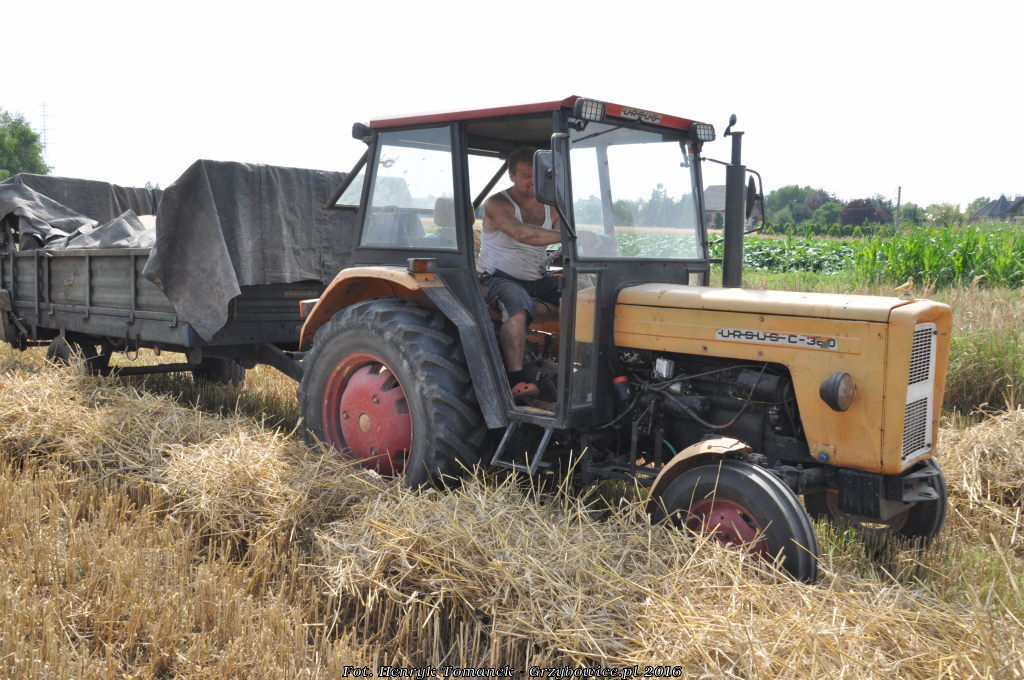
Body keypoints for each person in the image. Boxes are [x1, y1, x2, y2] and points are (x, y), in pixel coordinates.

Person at [477, 147, 562, 402]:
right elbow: (523, 234)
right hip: (496, 277)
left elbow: (568, 231)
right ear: (512, 176)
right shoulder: (497, 204)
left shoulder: (552, 207)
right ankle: (516, 381)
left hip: (535, 278)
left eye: (538, 175)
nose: (533, 181)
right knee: (517, 305)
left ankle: (576, 367)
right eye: (526, 175)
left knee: (582, 295)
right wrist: (571, 236)